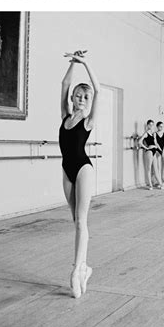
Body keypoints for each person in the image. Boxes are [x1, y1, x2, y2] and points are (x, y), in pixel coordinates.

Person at [58, 50, 100, 299]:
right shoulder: (65, 117)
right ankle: (84, 268)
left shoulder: (88, 121)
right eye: (79, 95)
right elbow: (64, 83)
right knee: (76, 222)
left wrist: (86, 62)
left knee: (82, 221)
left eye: (86, 96)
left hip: (84, 169)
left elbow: (99, 90)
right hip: (66, 170)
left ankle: (76, 271)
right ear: (73, 98)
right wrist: (73, 64)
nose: (82, 99)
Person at [139, 119, 163, 189]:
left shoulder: (153, 134)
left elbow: (156, 143)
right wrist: (146, 148)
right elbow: (140, 142)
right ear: (147, 125)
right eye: (150, 125)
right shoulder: (146, 133)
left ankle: (160, 184)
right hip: (149, 151)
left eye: (152, 125)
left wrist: (160, 150)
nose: (151, 126)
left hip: (154, 151)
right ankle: (150, 185)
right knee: (149, 168)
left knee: (156, 169)